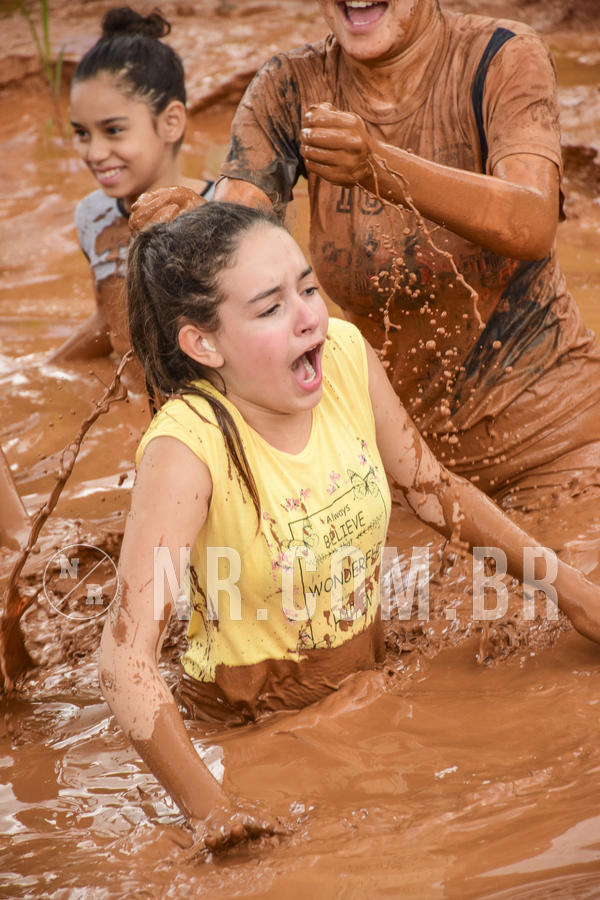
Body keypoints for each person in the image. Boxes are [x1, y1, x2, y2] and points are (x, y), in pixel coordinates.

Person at [99, 194, 600, 851]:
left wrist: (576, 595)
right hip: (253, 728)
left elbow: (431, 490)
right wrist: (210, 808)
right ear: (203, 342)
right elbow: (123, 656)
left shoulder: (341, 356)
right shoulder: (188, 446)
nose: (308, 315)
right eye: (271, 307)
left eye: (307, 286)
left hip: (369, 680)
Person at [214, 0, 600, 509]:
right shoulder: (289, 87)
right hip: (393, 467)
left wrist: (377, 165)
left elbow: (530, 223)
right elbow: (230, 240)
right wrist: (188, 230)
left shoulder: (503, 56)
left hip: (551, 446)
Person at [50, 6, 213, 369]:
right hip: (132, 410)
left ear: (170, 122)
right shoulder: (93, 215)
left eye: (114, 130)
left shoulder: (221, 213)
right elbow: (111, 324)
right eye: (81, 133)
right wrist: (38, 373)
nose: (93, 152)